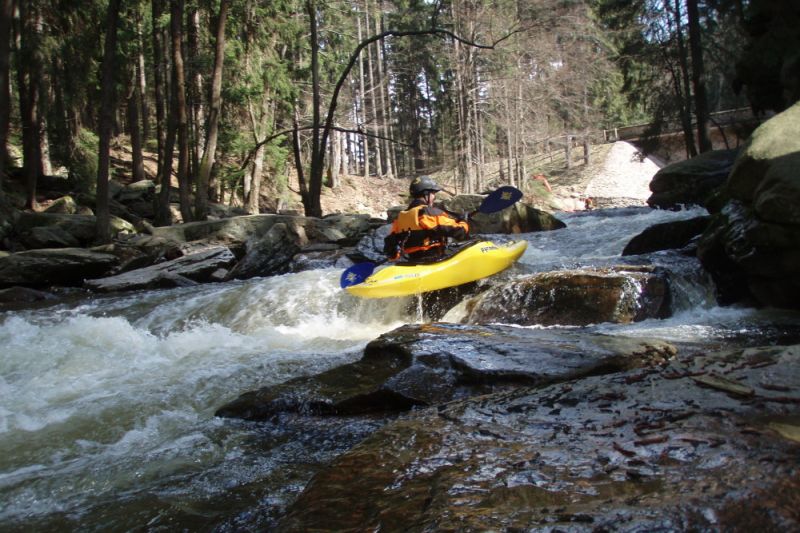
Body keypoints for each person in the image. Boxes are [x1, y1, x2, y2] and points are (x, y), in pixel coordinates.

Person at [383, 176, 470, 261]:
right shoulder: (428, 213)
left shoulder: (401, 217)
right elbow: (460, 232)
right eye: (433, 194)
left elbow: (391, 248)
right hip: (432, 261)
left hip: (412, 261)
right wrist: (463, 221)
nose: (434, 197)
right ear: (426, 194)